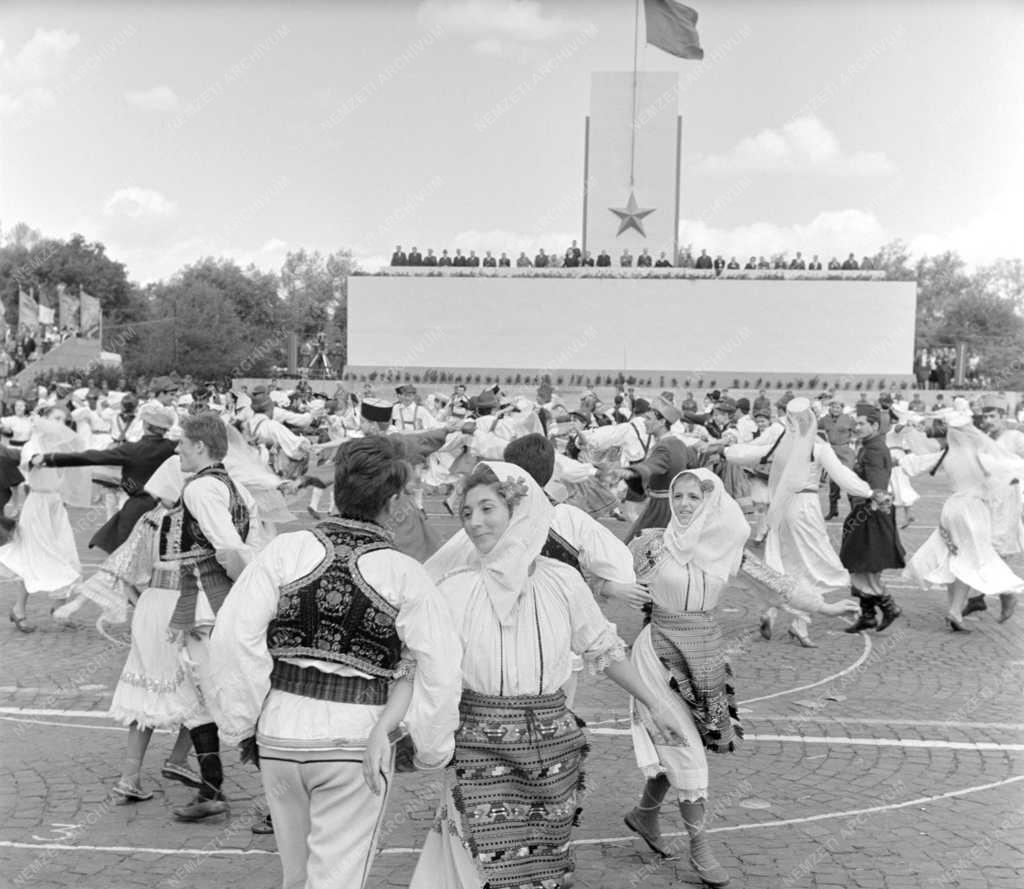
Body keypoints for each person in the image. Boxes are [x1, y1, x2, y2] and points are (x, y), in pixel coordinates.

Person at [409, 461, 688, 889]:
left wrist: (657, 705)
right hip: (477, 750)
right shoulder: (452, 590)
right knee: (478, 858)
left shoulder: (562, 582)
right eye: (466, 513)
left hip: (551, 751)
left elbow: (603, 649)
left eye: (487, 508)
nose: (475, 522)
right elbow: (423, 670)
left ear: (520, 510)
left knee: (542, 863)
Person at [209, 437, 462, 889]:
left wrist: (243, 722)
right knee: (336, 880)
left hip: (280, 733)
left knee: (296, 876)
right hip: (354, 741)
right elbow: (439, 666)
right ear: (392, 501)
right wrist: (430, 746)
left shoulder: (285, 550)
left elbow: (232, 638)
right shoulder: (404, 573)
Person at [623, 469, 747, 887]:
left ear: (712, 501)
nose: (685, 503)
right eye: (679, 495)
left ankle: (644, 814)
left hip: (704, 655)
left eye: (695, 496)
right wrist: (611, 591)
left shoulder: (726, 544)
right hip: (656, 654)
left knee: (675, 744)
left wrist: (825, 605)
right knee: (684, 747)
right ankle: (699, 848)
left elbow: (776, 584)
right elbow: (611, 573)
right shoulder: (652, 543)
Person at [165, 412, 256, 820]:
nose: (178, 448)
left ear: (200, 446)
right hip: (206, 598)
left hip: (208, 599)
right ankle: (210, 787)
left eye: (182, 442)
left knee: (215, 692)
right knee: (202, 693)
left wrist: (244, 589)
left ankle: (261, 794)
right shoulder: (234, 485)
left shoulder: (201, 488)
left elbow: (231, 547)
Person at [725, 398, 874, 647]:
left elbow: (744, 454)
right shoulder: (818, 448)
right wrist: (869, 492)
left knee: (783, 563)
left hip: (781, 509)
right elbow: (843, 476)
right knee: (811, 564)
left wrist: (728, 448)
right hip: (805, 507)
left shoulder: (781, 445)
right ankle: (800, 623)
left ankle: (774, 612)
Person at [902, 410, 1024, 629]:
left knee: (957, 556)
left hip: (951, 509)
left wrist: (897, 459)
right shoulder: (979, 455)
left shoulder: (947, 454)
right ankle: (1006, 592)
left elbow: (912, 465)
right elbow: (1007, 474)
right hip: (973, 510)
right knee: (979, 556)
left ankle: (956, 609)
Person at [37, 404, 179, 553]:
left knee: (127, 558)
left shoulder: (132, 450)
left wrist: (50, 458)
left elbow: (89, 457)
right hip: (170, 511)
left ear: (145, 425)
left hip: (138, 509)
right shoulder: (175, 448)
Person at [1, 408, 84, 632]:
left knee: (66, 554)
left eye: (63, 420)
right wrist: (38, 460)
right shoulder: (33, 444)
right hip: (37, 505)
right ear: (45, 420)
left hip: (56, 506)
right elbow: (29, 463)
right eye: (56, 419)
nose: (60, 423)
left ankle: (59, 609)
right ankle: (19, 609)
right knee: (34, 558)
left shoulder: (61, 445)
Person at [839, 408, 905, 633]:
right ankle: (868, 615)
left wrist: (867, 514)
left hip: (870, 512)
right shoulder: (869, 446)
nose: (857, 427)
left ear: (875, 426)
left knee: (865, 564)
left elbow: (877, 488)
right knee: (860, 563)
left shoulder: (874, 449)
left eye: (862, 423)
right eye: (856, 423)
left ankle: (888, 606)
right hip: (865, 510)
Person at [618, 397, 697, 540]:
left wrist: (630, 472)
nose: (645, 421)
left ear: (661, 422)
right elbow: (694, 463)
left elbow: (651, 466)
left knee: (638, 548)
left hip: (661, 509)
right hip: (674, 506)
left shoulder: (664, 447)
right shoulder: (678, 443)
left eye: (648, 418)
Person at [819, 401, 857, 520]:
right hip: (832, 451)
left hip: (845, 451)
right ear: (829, 408)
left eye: (838, 407)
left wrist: (855, 443)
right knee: (833, 481)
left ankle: (854, 510)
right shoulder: (824, 420)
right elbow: (815, 428)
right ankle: (833, 510)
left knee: (848, 479)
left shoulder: (849, 419)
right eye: (833, 407)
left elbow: (858, 431)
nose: (835, 409)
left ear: (842, 409)